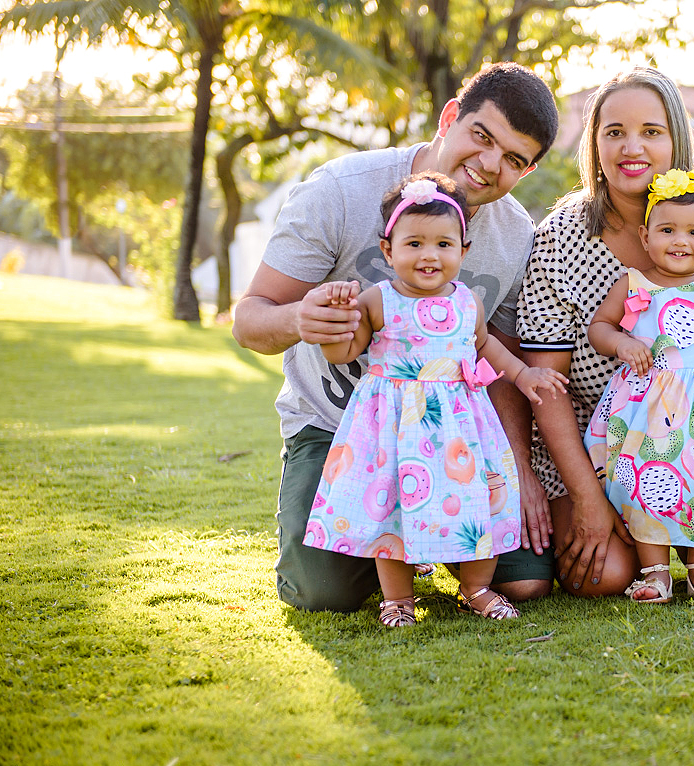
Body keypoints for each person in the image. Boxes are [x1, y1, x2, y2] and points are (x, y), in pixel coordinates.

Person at [232, 63, 560, 613]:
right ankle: (405, 548)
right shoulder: (338, 191)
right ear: (450, 117)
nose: (488, 165)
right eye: (482, 137)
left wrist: (518, 467)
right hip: (344, 431)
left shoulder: (514, 234)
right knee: (323, 590)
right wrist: (300, 321)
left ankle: (440, 540)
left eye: (513, 160)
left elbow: (493, 358)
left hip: (457, 437)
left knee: (525, 579)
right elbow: (249, 319)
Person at [518, 66, 694, 598]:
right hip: (598, 448)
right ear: (594, 144)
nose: (631, 147)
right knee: (607, 577)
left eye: (651, 131)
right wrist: (588, 498)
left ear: (677, 139)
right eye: (613, 131)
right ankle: (632, 538)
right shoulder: (561, 235)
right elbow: (545, 384)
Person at [306, 173, 567, 627]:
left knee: (479, 504)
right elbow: (345, 351)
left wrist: (524, 374)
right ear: (388, 250)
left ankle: (476, 587)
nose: (430, 255)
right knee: (389, 508)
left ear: (463, 251)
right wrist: (337, 320)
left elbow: (485, 345)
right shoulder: (377, 300)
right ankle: (398, 598)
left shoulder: (468, 302)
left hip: (461, 426)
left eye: (444, 244)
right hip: (395, 424)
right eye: (415, 244)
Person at [582, 169, 694, 603]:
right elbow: (599, 328)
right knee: (643, 482)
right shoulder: (633, 281)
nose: (680, 241)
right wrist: (622, 343)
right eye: (667, 230)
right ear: (646, 237)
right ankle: (655, 571)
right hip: (646, 406)